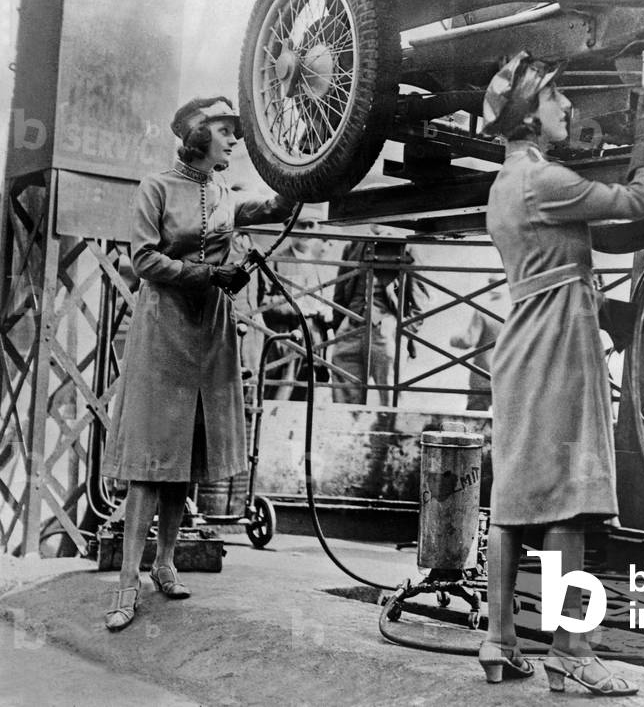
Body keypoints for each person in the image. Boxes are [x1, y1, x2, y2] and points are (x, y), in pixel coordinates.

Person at [479, 51, 644, 695]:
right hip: (560, 346)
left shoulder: (507, 185)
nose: (568, 108)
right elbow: (633, 200)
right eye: (557, 98)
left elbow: (580, 247)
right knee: (568, 497)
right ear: (530, 117)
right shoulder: (544, 179)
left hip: (524, 341)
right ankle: (574, 648)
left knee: (514, 499)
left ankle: (499, 642)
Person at [101, 96, 295, 631]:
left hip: (209, 327)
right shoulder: (156, 187)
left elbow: (273, 208)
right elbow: (143, 259)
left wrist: (307, 170)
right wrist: (208, 276)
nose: (234, 139)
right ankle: (126, 582)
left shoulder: (223, 191)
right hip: (164, 324)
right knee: (149, 458)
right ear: (196, 132)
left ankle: (165, 563)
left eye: (236, 131)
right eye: (226, 130)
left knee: (184, 450)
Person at [331, 225, 428, 405]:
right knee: (343, 390)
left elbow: (419, 299)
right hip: (351, 325)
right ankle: (347, 429)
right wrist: (340, 325)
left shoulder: (406, 246)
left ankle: (392, 428)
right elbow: (339, 291)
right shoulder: (354, 245)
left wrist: (404, 332)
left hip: (386, 327)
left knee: (389, 392)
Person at [260, 204, 333, 401]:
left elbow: (329, 298)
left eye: (312, 225)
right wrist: (296, 307)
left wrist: (327, 311)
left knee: (308, 397)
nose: (307, 231)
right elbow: (262, 303)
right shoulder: (275, 261)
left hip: (316, 341)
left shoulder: (321, 263)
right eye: (302, 225)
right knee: (280, 394)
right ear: (289, 227)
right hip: (287, 339)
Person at [449, 276, 504, 411]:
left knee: (475, 416)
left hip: (483, 373)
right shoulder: (518, 311)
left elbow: (469, 340)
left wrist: (453, 339)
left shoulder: (484, 310)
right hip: (509, 375)